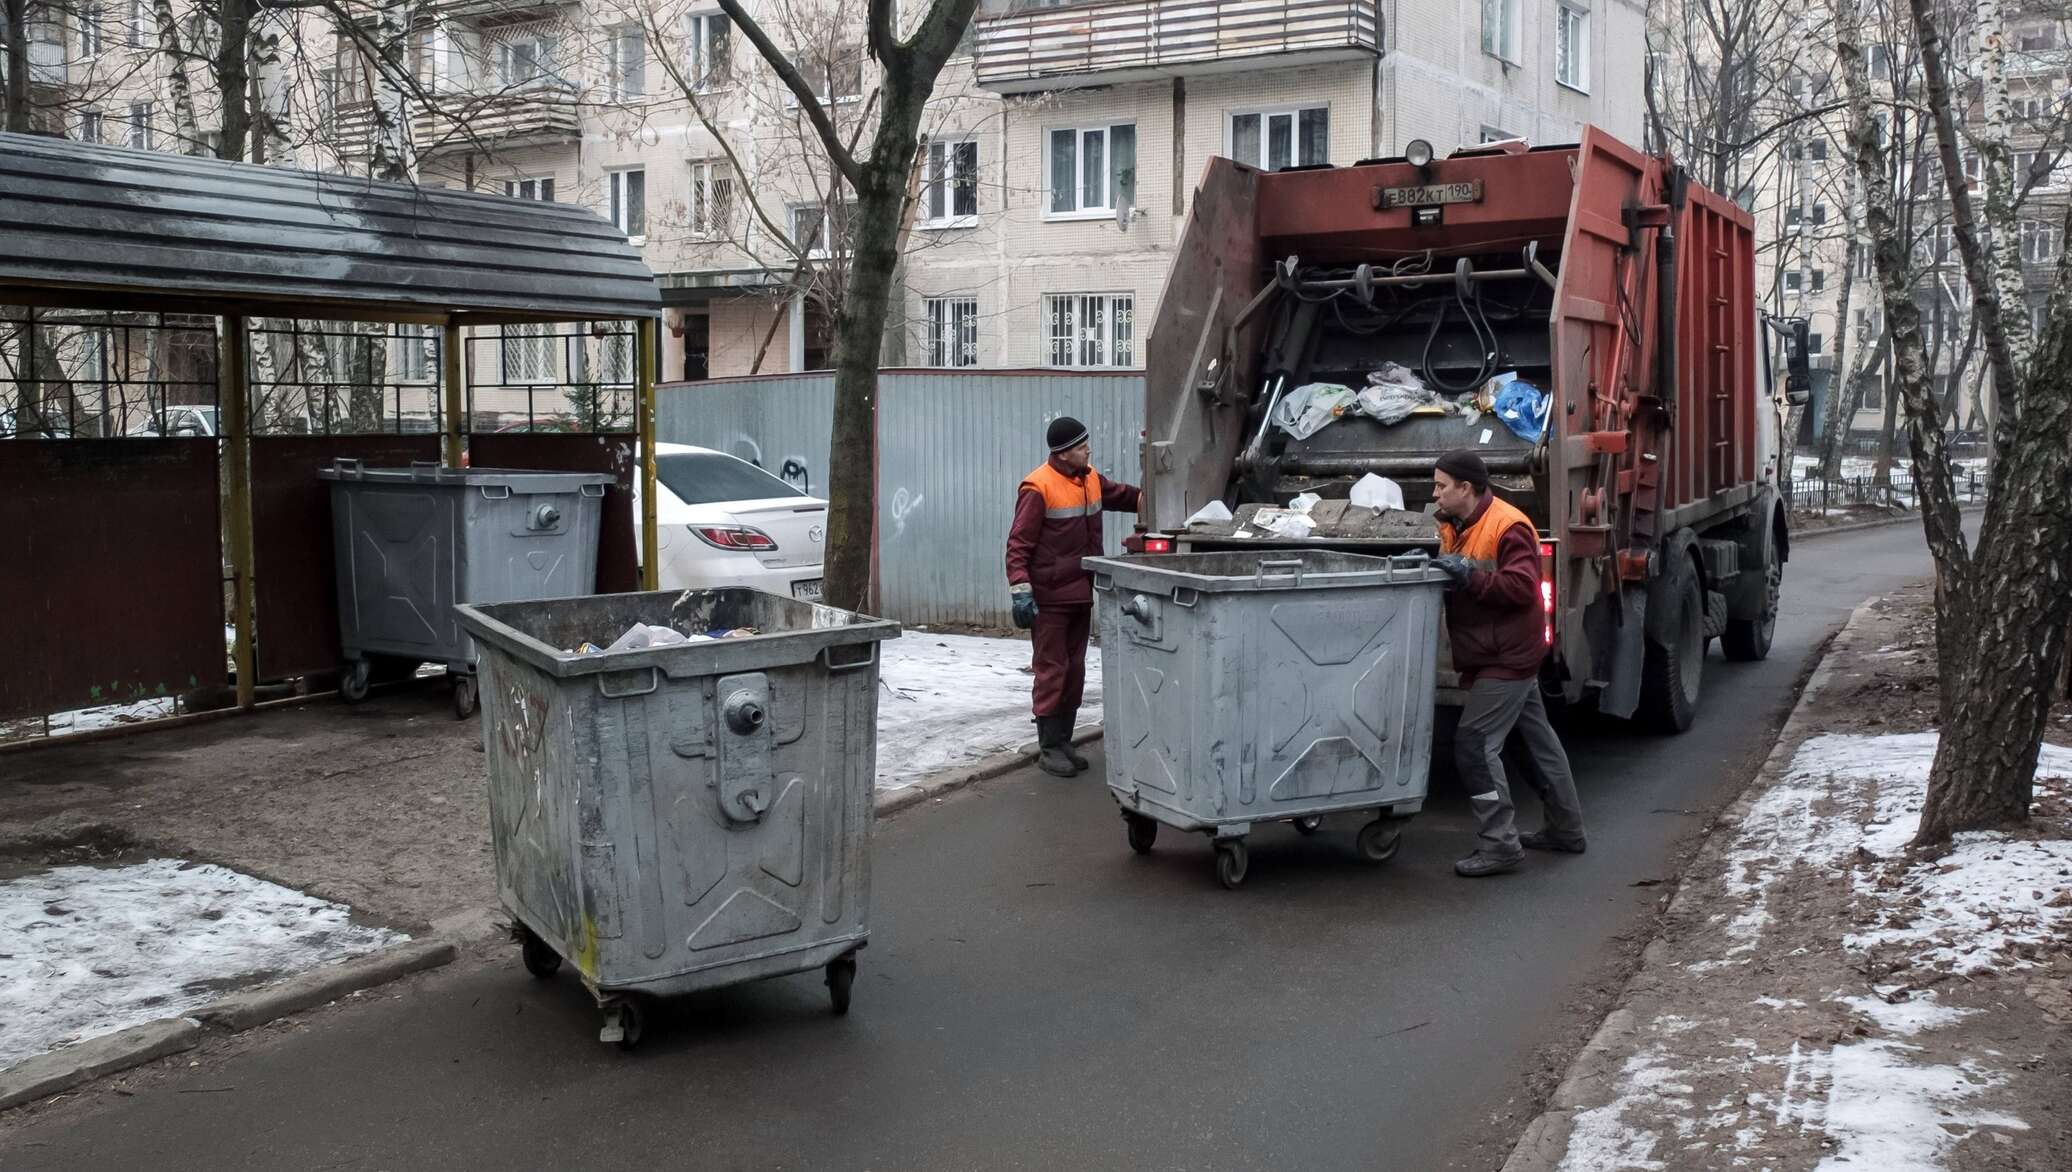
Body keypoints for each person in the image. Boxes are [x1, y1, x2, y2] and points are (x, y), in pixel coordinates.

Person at [1429, 449, 1587, 877]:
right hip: (1497, 652)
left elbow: (1521, 587)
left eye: (1442, 485)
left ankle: (1500, 844)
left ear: (1466, 488)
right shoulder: (1455, 523)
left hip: (1507, 655)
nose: (1435, 492)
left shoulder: (1507, 524)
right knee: (1536, 741)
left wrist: (1468, 577)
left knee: (1475, 745)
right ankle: (1566, 829)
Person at [1005, 416, 1141, 777]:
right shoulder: (1038, 487)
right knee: (1052, 669)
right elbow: (1018, 545)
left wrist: (1154, 496)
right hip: (1050, 598)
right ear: (1064, 454)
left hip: (1080, 592)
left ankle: (1064, 739)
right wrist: (1021, 591)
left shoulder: (1089, 478)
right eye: (1082, 446)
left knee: (1075, 669)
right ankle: (1048, 746)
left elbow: (1123, 496)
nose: (1088, 450)